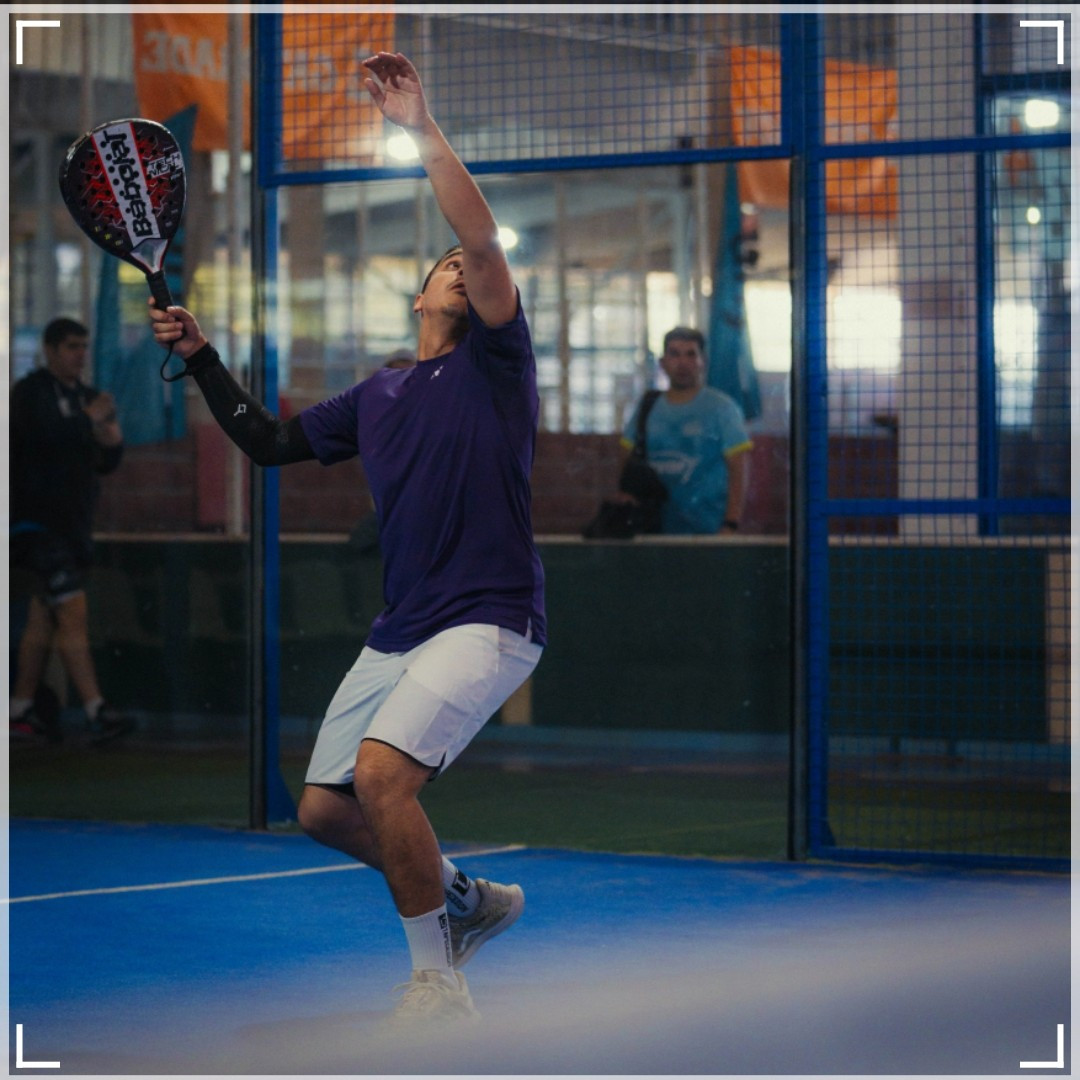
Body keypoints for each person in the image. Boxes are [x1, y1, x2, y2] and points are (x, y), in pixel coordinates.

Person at [149, 52, 546, 1027]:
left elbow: (480, 234)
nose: (465, 269)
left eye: (473, 267)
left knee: (380, 778)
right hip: (402, 627)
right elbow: (267, 442)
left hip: (489, 618)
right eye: (447, 267)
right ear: (420, 298)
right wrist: (201, 357)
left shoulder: (498, 364)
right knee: (326, 809)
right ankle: (465, 900)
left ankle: (436, 984)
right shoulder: (379, 394)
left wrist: (420, 127)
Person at [9, 317, 135, 746]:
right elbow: (43, 439)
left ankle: (18, 709)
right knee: (72, 610)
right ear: (50, 350)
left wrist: (110, 436)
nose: (80, 355)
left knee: (45, 617)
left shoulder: (87, 397)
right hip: (35, 525)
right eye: (71, 347)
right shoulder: (31, 394)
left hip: (74, 526)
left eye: (84, 346)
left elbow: (104, 460)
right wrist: (88, 420)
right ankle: (97, 709)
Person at [617, 327, 752, 534]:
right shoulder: (647, 407)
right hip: (653, 528)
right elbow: (625, 458)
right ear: (663, 363)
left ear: (703, 362)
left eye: (691, 354)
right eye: (674, 354)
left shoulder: (722, 408)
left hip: (709, 529)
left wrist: (730, 523)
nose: (682, 363)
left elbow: (738, 468)